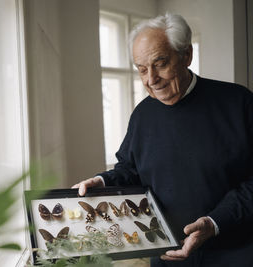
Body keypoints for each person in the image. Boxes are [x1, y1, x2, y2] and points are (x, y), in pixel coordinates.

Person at [72, 13, 253, 267]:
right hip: (166, 255)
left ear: (187, 56)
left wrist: (214, 223)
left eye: (160, 63)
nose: (150, 79)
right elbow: (130, 169)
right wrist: (102, 182)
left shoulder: (239, 102)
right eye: (142, 69)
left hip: (236, 252)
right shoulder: (142, 114)